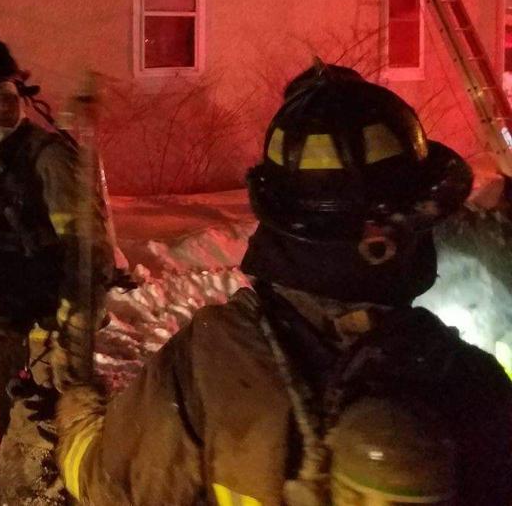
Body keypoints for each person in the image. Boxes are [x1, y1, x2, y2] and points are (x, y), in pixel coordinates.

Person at [54, 63, 512, 506]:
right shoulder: (476, 389)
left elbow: (112, 486)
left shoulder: (216, 361)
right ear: (409, 232)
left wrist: (77, 420)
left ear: (279, 221)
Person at [0, 38, 109, 504]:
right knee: (12, 409)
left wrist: (78, 313)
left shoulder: (48, 156)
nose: (1, 109)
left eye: (7, 99)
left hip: (48, 318)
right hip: (3, 309)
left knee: (49, 420)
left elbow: (86, 246)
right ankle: (17, 483)